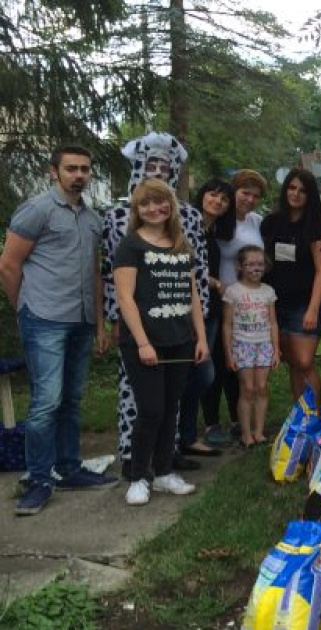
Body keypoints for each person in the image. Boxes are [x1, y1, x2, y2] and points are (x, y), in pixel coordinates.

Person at [0, 145, 115, 515]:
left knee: (71, 400)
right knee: (46, 401)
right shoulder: (37, 210)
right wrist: (25, 308)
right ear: (54, 172)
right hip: (44, 317)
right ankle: (38, 480)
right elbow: (8, 265)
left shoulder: (92, 218)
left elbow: (94, 273)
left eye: (84, 169)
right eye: (71, 168)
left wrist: (99, 322)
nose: (79, 175)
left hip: (81, 319)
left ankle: (68, 469)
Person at [102, 132, 210, 475]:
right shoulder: (117, 217)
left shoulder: (189, 217)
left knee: (171, 397)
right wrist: (114, 317)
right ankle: (133, 456)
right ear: (139, 166)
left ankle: (167, 455)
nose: (159, 171)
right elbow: (112, 275)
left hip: (178, 323)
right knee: (138, 394)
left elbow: (197, 272)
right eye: (152, 165)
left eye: (165, 166)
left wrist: (199, 326)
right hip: (139, 324)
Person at [203, 169, 266, 446]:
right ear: (234, 192)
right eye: (244, 193)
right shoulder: (219, 221)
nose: (249, 199)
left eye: (255, 195)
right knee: (216, 361)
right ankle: (211, 422)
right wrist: (217, 284)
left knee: (236, 363)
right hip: (218, 299)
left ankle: (238, 418)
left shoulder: (256, 221)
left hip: (247, 303)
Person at [262, 168, 321, 404]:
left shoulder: (318, 227)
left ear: (310, 195)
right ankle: (301, 413)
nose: (296, 194)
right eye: (292, 188)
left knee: (304, 361)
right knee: (293, 362)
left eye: (302, 190)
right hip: (274, 304)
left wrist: (312, 309)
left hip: (303, 304)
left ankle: (315, 413)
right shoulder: (271, 223)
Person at [179, 179, 232, 456]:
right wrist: (213, 282)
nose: (217, 201)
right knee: (198, 373)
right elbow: (185, 265)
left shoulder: (212, 231)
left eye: (224, 199)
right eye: (213, 195)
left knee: (200, 374)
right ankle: (180, 435)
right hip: (188, 309)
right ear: (202, 195)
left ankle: (186, 435)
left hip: (209, 311)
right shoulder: (186, 225)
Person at [222, 246, 279, 448]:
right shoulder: (233, 291)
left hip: (264, 344)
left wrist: (276, 350)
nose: (256, 268)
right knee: (247, 388)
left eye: (260, 264)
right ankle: (246, 434)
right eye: (251, 264)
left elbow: (273, 322)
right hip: (242, 344)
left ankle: (259, 432)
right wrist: (229, 353)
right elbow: (227, 324)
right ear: (240, 266)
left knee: (262, 388)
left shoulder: (268, 291)